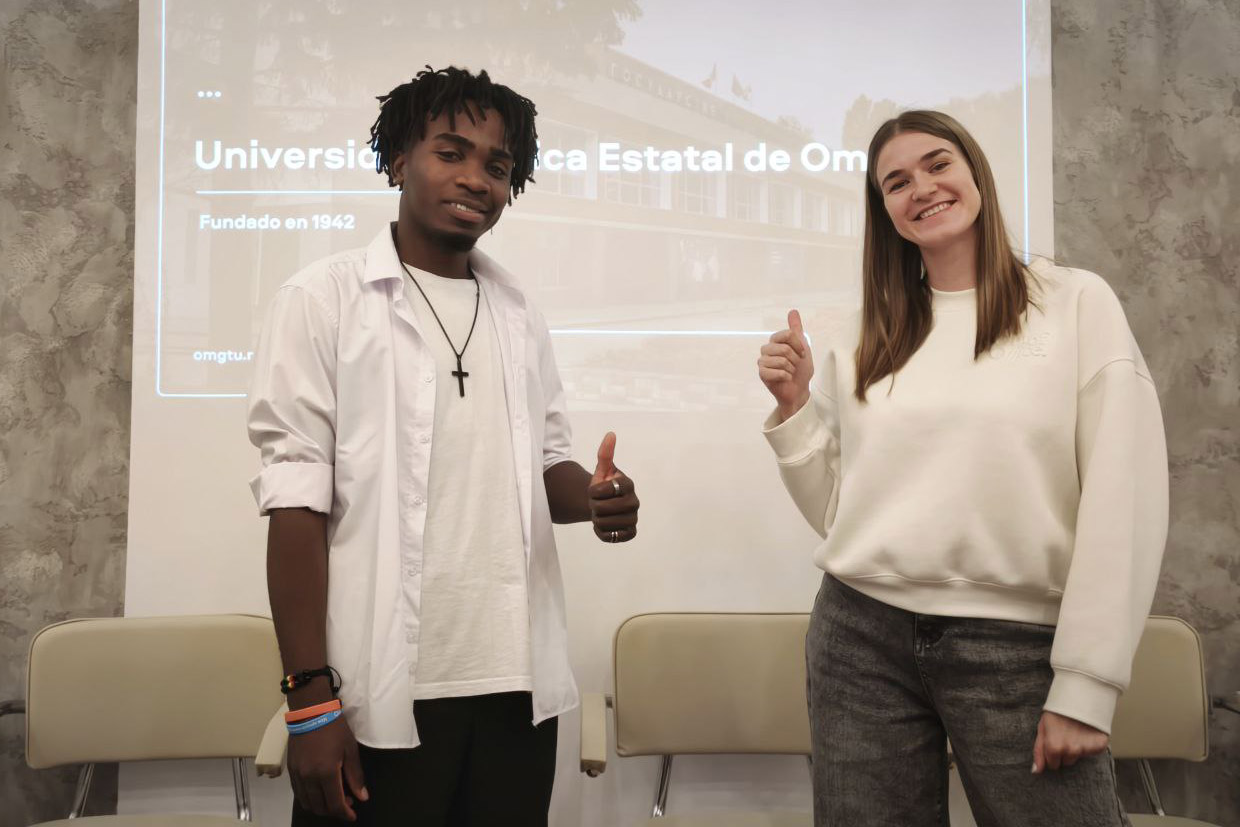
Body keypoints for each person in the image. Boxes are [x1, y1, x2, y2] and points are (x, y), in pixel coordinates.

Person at [247, 66, 640, 826]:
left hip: (515, 689)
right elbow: (296, 506)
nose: (474, 179)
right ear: (399, 159)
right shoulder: (322, 300)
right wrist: (309, 700)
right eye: (450, 153)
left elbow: (546, 464)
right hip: (377, 690)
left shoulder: (518, 309)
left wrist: (594, 498)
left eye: (497, 166)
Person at [757, 110, 1167, 826]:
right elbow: (839, 515)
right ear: (884, 210)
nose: (921, 188)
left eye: (938, 164)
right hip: (859, 640)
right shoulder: (865, 332)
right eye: (896, 182)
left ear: (976, 172)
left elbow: (1123, 495)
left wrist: (1087, 684)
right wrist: (793, 406)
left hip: (1019, 650)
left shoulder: (1075, 304)